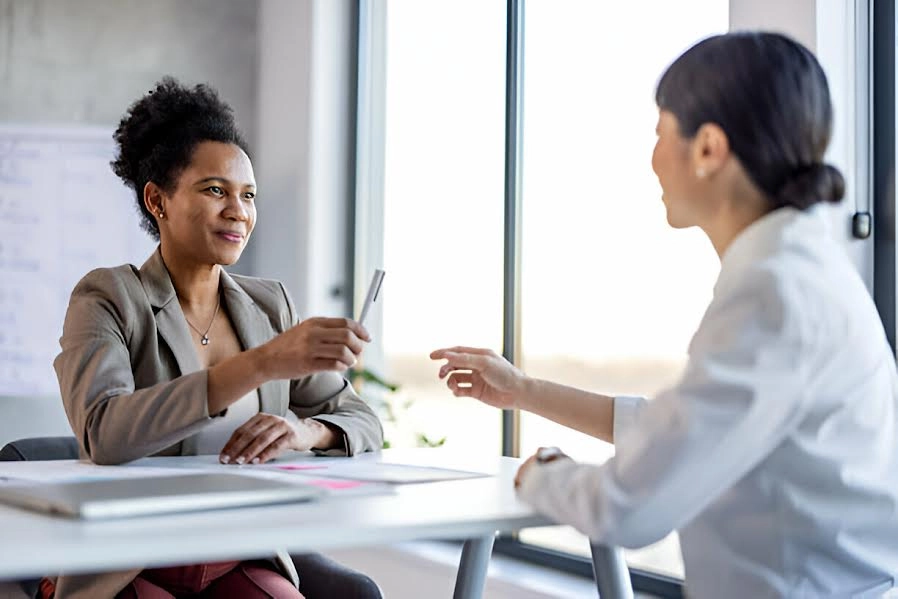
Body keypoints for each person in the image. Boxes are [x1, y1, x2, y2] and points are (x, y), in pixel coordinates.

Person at [431, 32, 898, 598]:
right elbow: (684, 432)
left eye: (659, 133)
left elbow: (628, 507)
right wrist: (523, 389)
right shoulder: (802, 270)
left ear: (707, 148)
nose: (652, 158)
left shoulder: (774, 292)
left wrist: (544, 475)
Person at [51, 77, 384, 598]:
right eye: (215, 191)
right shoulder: (108, 297)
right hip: (131, 559)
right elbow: (104, 433)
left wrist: (306, 433)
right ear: (157, 200)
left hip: (236, 552)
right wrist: (259, 365)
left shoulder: (268, 305)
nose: (239, 211)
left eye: (248, 195)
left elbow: (360, 419)